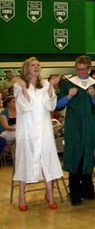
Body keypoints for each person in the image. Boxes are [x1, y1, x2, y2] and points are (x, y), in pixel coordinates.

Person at [56, 55, 95, 205]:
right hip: (74, 126)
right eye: (78, 69)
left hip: (90, 126)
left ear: (89, 69)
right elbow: (58, 106)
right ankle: (75, 193)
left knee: (89, 157)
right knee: (75, 157)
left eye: (84, 70)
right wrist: (69, 96)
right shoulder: (68, 84)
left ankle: (88, 190)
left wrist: (93, 98)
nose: (80, 73)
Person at [13, 58, 63, 211]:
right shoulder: (18, 85)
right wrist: (24, 89)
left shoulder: (46, 84)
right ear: (26, 68)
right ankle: (22, 196)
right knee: (24, 161)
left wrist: (51, 87)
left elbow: (50, 105)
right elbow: (25, 106)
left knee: (47, 161)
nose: (36, 67)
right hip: (27, 130)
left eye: (38, 65)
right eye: (32, 65)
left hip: (44, 129)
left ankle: (50, 196)